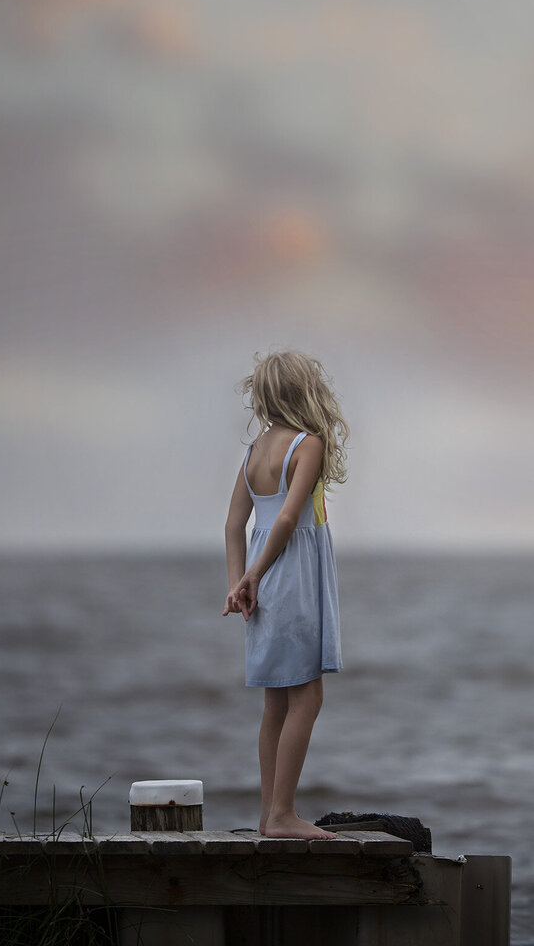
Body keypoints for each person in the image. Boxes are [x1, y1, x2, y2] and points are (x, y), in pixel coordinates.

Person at [223, 350, 347, 839]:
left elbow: (235, 523)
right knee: (307, 696)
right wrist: (255, 575)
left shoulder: (254, 451)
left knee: (277, 701)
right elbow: (290, 519)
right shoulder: (307, 443)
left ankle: (268, 814)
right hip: (289, 574)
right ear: (307, 392)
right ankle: (282, 814)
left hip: (261, 575)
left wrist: (240, 581)